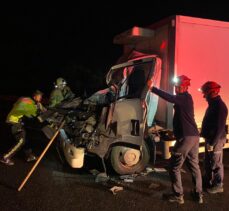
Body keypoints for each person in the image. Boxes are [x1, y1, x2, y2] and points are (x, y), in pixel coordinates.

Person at [149, 75, 203, 204]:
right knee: (194, 166)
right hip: (193, 136)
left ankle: (178, 195)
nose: (175, 88)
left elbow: (170, 98)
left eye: (177, 86)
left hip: (186, 138)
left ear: (184, 87)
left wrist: (152, 88)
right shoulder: (186, 98)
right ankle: (198, 194)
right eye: (175, 86)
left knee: (174, 167)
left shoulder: (183, 98)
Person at [0, 90, 46, 166]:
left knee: (26, 138)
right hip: (13, 121)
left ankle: (29, 156)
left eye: (41, 96)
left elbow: (32, 114)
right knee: (21, 140)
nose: (41, 98)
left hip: (18, 121)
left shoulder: (33, 103)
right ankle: (5, 157)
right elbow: (19, 108)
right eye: (39, 96)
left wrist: (39, 111)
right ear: (34, 96)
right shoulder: (27, 100)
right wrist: (34, 110)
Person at [200, 81, 228, 194]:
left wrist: (212, 143)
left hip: (215, 140)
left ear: (212, 92)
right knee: (208, 162)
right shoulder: (213, 104)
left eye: (205, 93)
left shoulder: (220, 107)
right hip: (211, 139)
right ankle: (208, 180)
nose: (204, 96)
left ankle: (218, 185)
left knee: (216, 163)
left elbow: (220, 127)